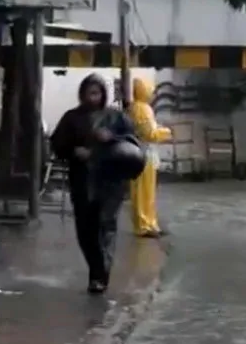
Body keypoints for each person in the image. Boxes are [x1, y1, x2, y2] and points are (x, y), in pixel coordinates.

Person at [50, 74, 139, 293]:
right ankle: (96, 270)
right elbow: (57, 144)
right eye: (89, 93)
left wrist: (112, 138)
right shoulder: (72, 118)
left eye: (97, 93)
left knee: (106, 225)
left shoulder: (116, 118)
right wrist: (73, 151)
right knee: (86, 230)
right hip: (82, 180)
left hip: (111, 182)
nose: (93, 98)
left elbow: (134, 144)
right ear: (82, 94)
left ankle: (100, 276)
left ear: (103, 95)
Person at [127, 78, 173, 237]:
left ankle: (151, 224)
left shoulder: (140, 108)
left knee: (148, 192)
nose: (153, 94)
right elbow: (150, 134)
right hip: (142, 155)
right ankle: (143, 225)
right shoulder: (142, 109)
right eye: (150, 90)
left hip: (144, 154)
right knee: (142, 193)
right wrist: (166, 132)